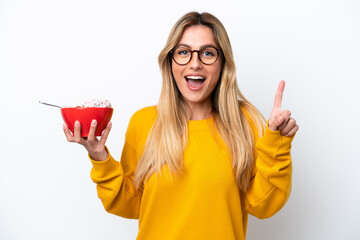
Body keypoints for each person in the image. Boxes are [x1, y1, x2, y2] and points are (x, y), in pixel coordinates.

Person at [63, 11, 299, 240]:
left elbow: (263, 206)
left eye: (207, 53)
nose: (195, 63)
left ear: (222, 63)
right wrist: (99, 157)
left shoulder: (245, 122)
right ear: (170, 61)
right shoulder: (144, 123)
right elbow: (131, 205)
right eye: (184, 52)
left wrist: (276, 145)